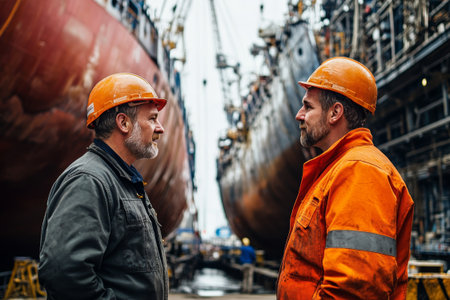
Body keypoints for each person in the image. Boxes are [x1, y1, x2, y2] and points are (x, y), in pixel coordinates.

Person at [277, 57, 414, 299]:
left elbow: (352, 289)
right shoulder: (337, 170)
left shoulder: (360, 171)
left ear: (335, 113)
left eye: (308, 107)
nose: (299, 115)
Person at [38, 73, 169, 300]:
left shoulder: (122, 181)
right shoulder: (89, 180)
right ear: (123, 123)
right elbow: (64, 273)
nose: (160, 128)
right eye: (152, 119)